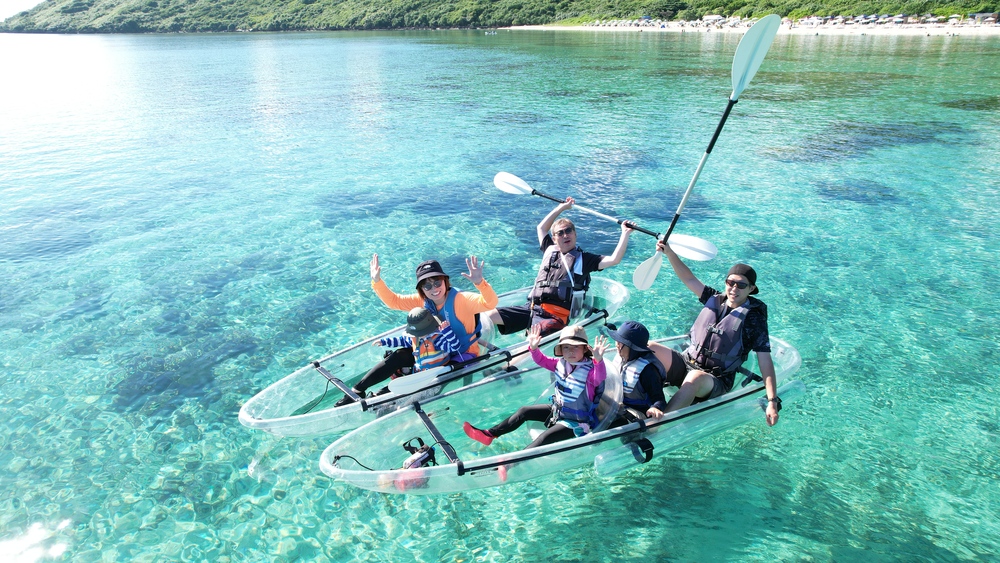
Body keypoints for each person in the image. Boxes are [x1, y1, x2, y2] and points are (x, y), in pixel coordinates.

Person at [334, 255, 498, 406]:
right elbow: (394, 301)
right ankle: (357, 391)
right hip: (434, 348)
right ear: (422, 289)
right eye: (427, 285)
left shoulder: (462, 299)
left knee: (436, 378)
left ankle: (391, 400)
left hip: (461, 353)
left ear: (445, 281)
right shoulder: (424, 300)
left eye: (437, 282)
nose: (434, 288)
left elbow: (489, 303)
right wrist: (377, 281)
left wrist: (480, 283)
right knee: (400, 355)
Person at [649, 240, 780, 426]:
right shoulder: (714, 299)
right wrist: (669, 253)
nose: (734, 288)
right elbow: (689, 278)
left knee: (694, 377)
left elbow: (765, 361)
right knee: (649, 347)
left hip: (716, 379)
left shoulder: (753, 320)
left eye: (741, 285)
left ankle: (656, 426)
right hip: (688, 362)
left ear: (751, 289)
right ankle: (625, 400)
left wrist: (772, 401)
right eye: (730, 282)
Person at [486, 197, 635, 337]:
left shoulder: (585, 260)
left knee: (533, 340)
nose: (565, 235)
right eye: (560, 233)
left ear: (575, 234)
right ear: (555, 238)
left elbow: (614, 259)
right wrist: (561, 208)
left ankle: (520, 355)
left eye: (568, 230)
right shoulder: (550, 250)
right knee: (488, 316)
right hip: (532, 308)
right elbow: (541, 228)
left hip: (556, 315)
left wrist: (625, 233)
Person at [462, 323, 611, 450]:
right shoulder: (560, 363)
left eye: (575, 347)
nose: (570, 351)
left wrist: (599, 361)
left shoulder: (590, 371)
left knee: (544, 438)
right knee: (524, 411)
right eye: (566, 347)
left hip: (576, 422)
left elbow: (599, 377)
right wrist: (533, 348)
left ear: (585, 349)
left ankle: (510, 464)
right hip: (558, 412)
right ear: (561, 350)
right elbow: (541, 360)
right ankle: (489, 434)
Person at [603, 321, 669, 423]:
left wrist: (655, 408)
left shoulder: (648, 371)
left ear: (633, 348)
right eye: (617, 341)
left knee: (618, 421)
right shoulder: (621, 357)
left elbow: (659, 399)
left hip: (638, 412)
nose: (616, 345)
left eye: (620, 342)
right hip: (619, 404)